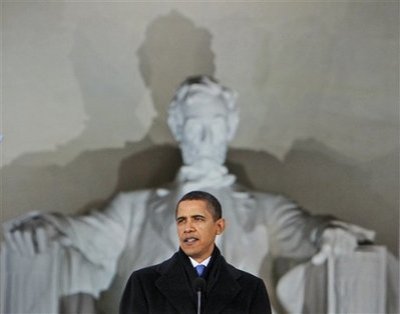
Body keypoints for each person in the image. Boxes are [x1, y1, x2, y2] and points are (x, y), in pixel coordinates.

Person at [2, 75, 381, 314]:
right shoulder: (133, 209)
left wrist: (328, 234)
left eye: (215, 125)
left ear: (230, 126)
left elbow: (308, 231)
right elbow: (82, 233)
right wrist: (48, 227)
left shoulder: (266, 210)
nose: (204, 137)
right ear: (178, 128)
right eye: (195, 124)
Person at [119, 190, 272, 314]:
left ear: (219, 226)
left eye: (197, 219)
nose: (188, 228)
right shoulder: (144, 282)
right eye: (181, 221)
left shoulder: (250, 288)